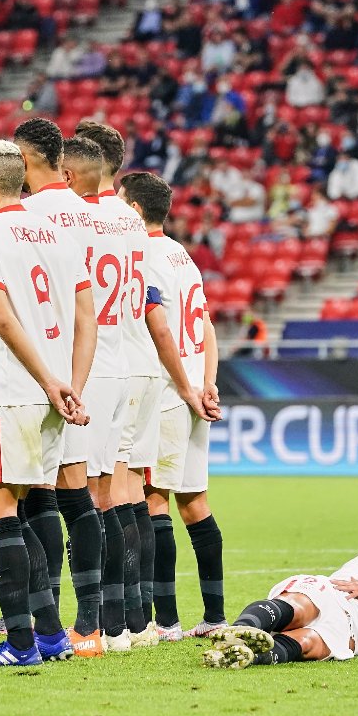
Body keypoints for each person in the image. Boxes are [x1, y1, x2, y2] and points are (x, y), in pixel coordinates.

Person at [0, 139, 95, 668]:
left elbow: (4, 320)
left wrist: (44, 381)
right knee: (34, 506)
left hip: (16, 391)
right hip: (55, 394)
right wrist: (69, 385)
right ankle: (53, 636)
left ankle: (19, 645)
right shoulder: (63, 236)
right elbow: (87, 319)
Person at [119, 172, 224, 642]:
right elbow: (205, 325)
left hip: (168, 391)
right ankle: (216, 616)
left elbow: (161, 328)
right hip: (193, 391)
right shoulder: (184, 256)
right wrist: (208, 384)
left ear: (135, 211)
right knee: (194, 502)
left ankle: (167, 620)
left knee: (154, 500)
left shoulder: (143, 256)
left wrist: (184, 387)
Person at [13, 119, 104, 656]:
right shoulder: (93, 212)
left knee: (49, 494)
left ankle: (63, 621)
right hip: (104, 359)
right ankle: (96, 622)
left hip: (55, 364)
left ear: (26, 161)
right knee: (96, 493)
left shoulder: (31, 217)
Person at [75, 119, 161, 650]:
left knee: (95, 496)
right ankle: (136, 620)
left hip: (100, 362)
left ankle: (102, 625)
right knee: (128, 494)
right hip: (136, 357)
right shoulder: (133, 222)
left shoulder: (80, 217)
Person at [202, 538, 358, 668]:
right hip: (331, 595)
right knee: (300, 607)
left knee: (306, 643)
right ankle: (237, 631)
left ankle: (242, 657)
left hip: (348, 635)